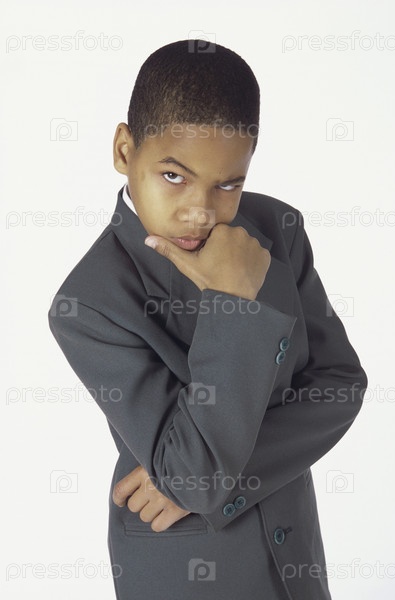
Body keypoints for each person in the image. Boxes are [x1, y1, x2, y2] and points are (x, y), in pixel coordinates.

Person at [48, 39, 368, 600]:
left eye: (228, 184)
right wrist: (235, 302)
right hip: (181, 563)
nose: (200, 211)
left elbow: (341, 386)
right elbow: (194, 478)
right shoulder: (90, 303)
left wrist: (203, 482)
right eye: (174, 176)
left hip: (294, 555)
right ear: (124, 150)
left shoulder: (278, 231)